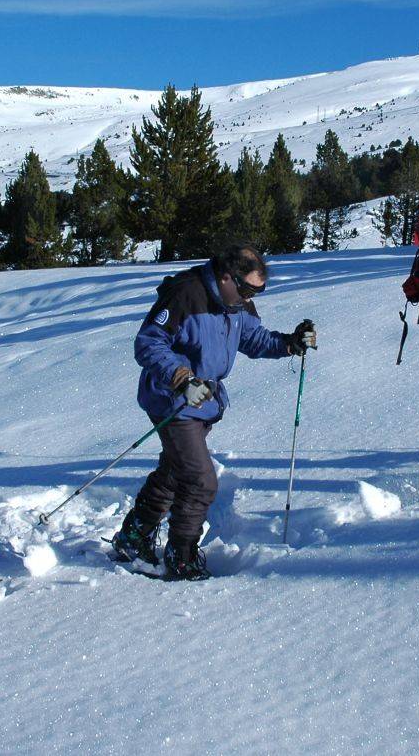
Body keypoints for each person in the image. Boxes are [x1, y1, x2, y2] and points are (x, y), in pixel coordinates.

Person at [110, 244, 317, 580]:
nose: (252, 296)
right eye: (249, 289)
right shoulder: (186, 296)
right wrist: (181, 379)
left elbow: (253, 339)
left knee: (177, 471)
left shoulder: (235, 302)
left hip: (204, 401)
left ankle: (134, 536)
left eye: (259, 290)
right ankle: (181, 555)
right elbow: (148, 342)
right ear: (225, 277)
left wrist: (290, 343)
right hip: (173, 401)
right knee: (200, 480)